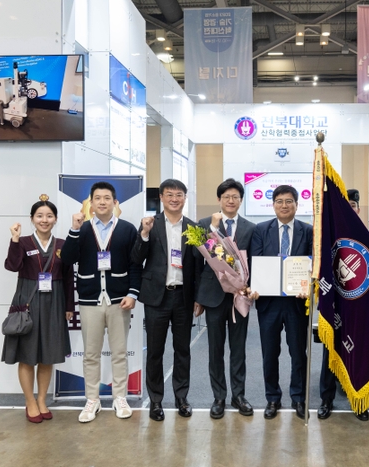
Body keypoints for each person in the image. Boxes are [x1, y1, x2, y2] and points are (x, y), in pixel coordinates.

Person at [60, 182, 141, 423]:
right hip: (89, 299)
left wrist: (133, 293)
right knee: (91, 353)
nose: (102, 202)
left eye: (107, 198)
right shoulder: (82, 229)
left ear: (115, 203)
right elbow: (68, 259)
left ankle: (120, 397)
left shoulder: (127, 229)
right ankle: (92, 399)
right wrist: (73, 230)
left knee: (119, 352)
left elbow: (135, 264)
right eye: (97, 198)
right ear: (91, 203)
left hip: (119, 300)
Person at [131, 179, 203, 422]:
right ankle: (156, 400)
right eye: (169, 194)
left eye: (179, 194)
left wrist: (199, 297)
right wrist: (143, 234)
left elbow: (199, 266)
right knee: (155, 351)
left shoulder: (194, 228)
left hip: (183, 297)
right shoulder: (150, 224)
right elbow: (136, 258)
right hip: (157, 297)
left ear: (185, 198)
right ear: (161, 197)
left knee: (182, 350)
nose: (174, 198)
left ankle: (181, 398)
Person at [2, 197, 74, 423]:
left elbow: (69, 276)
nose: (44, 220)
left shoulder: (62, 244)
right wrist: (14, 240)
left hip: (55, 301)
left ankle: (42, 399)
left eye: (49, 216)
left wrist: (69, 306)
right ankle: (30, 401)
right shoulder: (23, 242)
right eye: (40, 216)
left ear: (56, 219)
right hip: (28, 301)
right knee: (27, 355)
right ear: (32, 219)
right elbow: (12, 266)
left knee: (48, 355)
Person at [196, 178, 257, 419]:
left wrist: (251, 288)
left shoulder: (251, 228)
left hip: (239, 296)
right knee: (215, 349)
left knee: (238, 348)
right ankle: (219, 397)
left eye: (235, 197)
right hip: (213, 297)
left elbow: (254, 262)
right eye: (226, 197)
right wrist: (197, 297)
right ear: (219, 199)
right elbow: (197, 263)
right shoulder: (205, 225)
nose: (231, 200)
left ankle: (238, 395)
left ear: (241, 200)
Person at [251, 185, 313, 420]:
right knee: (270, 354)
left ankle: (298, 398)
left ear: (297, 204)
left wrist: (308, 288)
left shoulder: (308, 231)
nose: (284, 205)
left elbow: (311, 265)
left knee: (298, 353)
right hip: (269, 303)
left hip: (297, 303)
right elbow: (256, 262)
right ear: (273, 204)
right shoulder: (261, 230)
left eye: (289, 201)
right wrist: (255, 286)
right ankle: (272, 398)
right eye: (279, 201)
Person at [317, 188, 369, 421]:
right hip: (335, 305)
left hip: (360, 306)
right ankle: (326, 399)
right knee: (330, 352)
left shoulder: (367, 236)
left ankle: (359, 400)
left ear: (357, 209)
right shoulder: (328, 238)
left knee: (359, 352)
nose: (349, 209)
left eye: (353, 206)